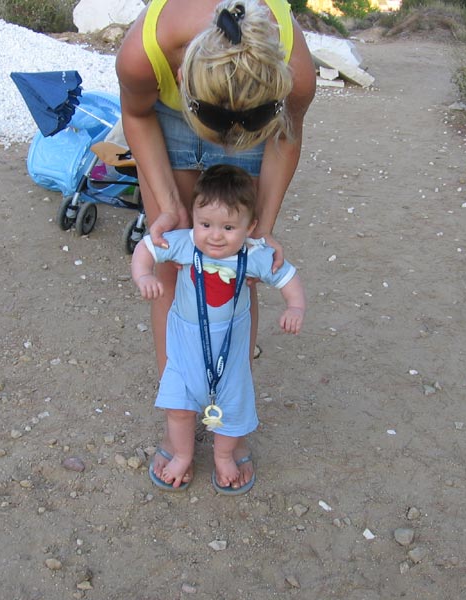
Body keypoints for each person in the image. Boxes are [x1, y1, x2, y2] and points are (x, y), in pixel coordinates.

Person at [116, 0, 315, 488]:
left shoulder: (294, 70)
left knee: (236, 266)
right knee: (175, 268)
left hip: (258, 115)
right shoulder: (143, 55)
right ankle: (181, 409)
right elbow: (136, 113)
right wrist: (168, 207)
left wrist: (263, 228)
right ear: (181, 75)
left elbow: (285, 134)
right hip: (167, 117)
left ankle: (229, 413)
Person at [131, 165, 306, 493]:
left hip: (230, 349)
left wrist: (294, 306)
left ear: (250, 227)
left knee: (232, 404)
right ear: (194, 219)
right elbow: (147, 248)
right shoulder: (186, 244)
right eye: (205, 224)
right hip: (185, 348)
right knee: (178, 407)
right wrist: (143, 275)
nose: (215, 235)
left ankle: (224, 456)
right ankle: (182, 454)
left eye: (228, 227)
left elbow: (287, 276)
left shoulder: (253, 255)